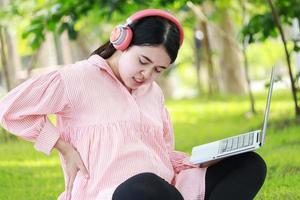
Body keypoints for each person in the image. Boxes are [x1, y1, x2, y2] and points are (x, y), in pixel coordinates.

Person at [0, 9, 267, 200]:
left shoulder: (153, 93)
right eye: (143, 62)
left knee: (249, 163)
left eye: (158, 69)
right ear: (122, 42)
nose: (146, 75)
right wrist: (63, 146)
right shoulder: (76, 78)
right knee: (143, 186)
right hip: (115, 193)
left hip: (166, 190)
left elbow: (163, 151)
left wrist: (198, 161)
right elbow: (10, 110)